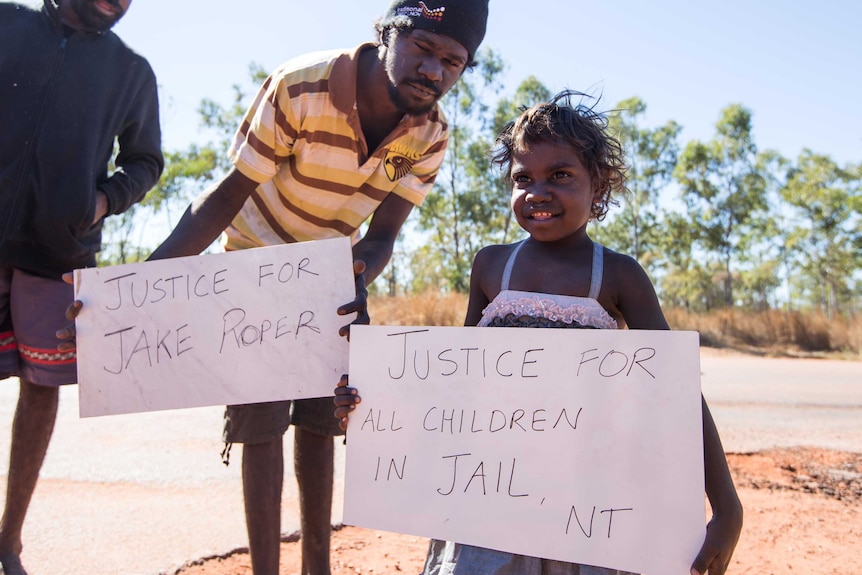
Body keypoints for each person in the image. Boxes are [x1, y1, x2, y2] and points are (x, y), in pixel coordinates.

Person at [68, 2, 485, 574]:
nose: (433, 71)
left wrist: (359, 275)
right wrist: (140, 283)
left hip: (329, 282)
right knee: (261, 428)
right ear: (389, 34)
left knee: (319, 425)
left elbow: (383, 235)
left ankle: (318, 566)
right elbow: (226, 195)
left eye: (453, 61)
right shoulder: (302, 86)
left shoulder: (430, 134)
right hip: (254, 277)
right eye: (422, 49)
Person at [335, 90, 743, 575]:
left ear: (600, 184)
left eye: (561, 175)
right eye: (522, 178)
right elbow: (452, 391)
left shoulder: (617, 275)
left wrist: (727, 507)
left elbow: (677, 393)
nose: (538, 191)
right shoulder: (490, 267)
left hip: (583, 506)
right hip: (488, 501)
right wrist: (373, 408)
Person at [0, 0, 164, 573]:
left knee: (40, 391)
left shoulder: (131, 72)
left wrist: (100, 202)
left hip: (59, 255)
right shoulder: (5, 23)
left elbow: (146, 163)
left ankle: (8, 543)